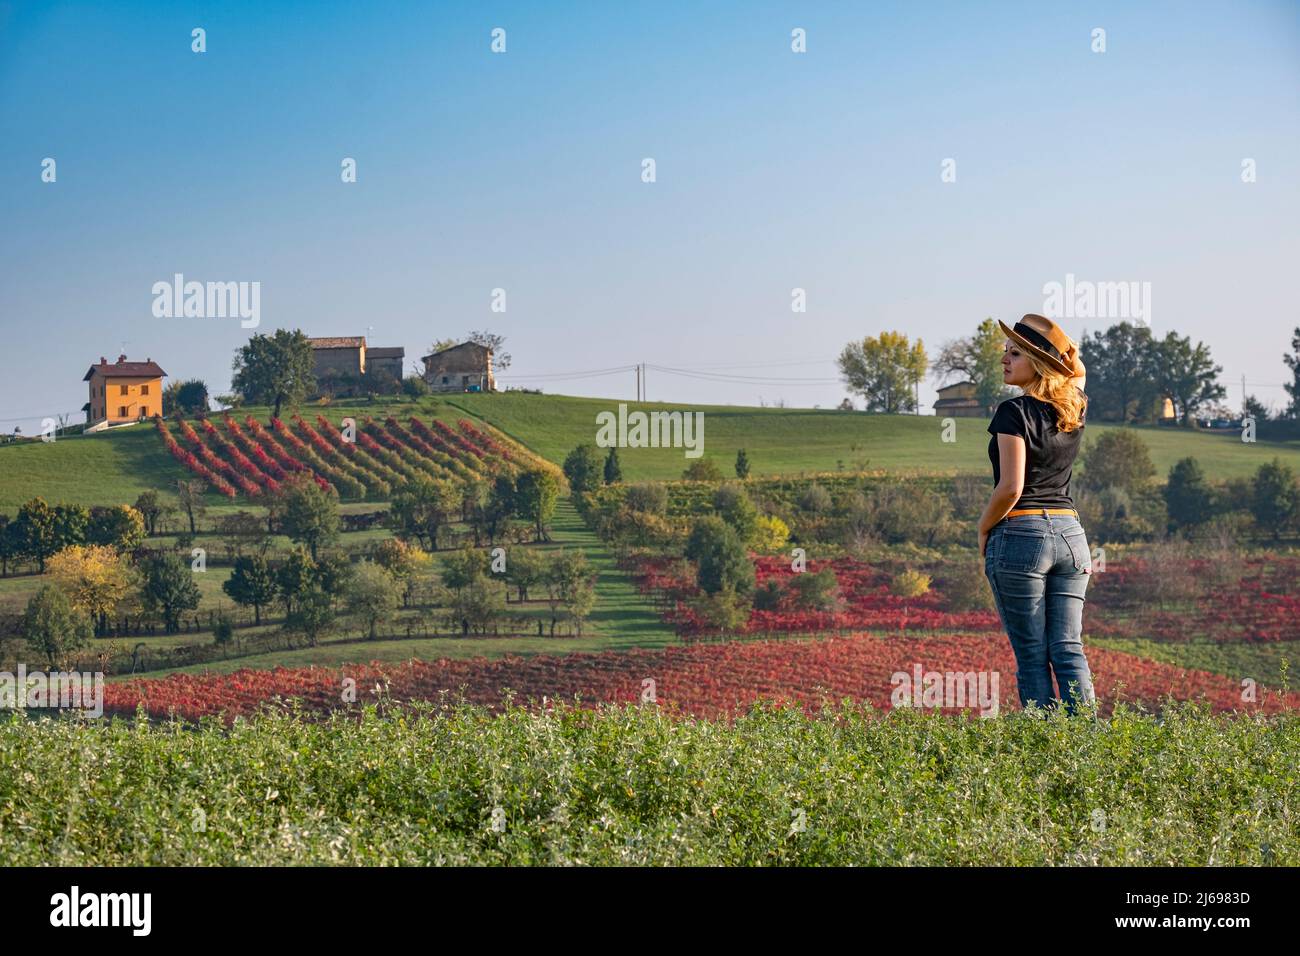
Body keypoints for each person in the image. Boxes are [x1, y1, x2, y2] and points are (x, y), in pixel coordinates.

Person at [978, 314, 1095, 716]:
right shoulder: (1073, 407)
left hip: (1021, 534)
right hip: (1071, 537)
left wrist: (983, 528)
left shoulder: (1013, 413)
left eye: (1015, 353)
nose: (1004, 359)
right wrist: (1066, 352)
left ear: (1038, 362)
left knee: (1031, 654)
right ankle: (1088, 744)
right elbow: (1077, 372)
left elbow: (1010, 488)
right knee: (1067, 648)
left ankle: (1044, 749)